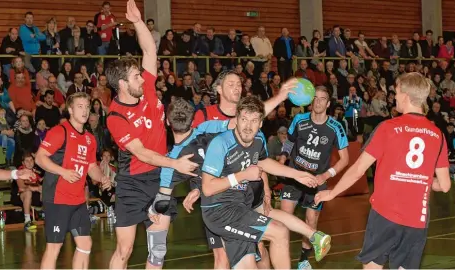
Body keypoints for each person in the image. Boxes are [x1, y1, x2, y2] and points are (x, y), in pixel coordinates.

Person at [149, 97, 332, 269]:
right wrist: (243, 175)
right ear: (236, 119)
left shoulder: (256, 138)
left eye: (254, 121)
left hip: (241, 205)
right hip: (220, 210)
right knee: (279, 231)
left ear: (260, 123)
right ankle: (312, 234)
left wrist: (297, 174)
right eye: (244, 119)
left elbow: (263, 161)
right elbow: (208, 187)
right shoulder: (219, 143)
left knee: (248, 263)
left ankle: (312, 235)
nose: (248, 126)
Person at [315, 72, 451, 269]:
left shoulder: (388, 127)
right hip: (417, 219)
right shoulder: (437, 134)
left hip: (385, 215)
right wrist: (417, 178)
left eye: (396, 92)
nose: (394, 97)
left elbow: (358, 169)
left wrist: (332, 192)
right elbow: (445, 185)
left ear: (405, 95)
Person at [104, 1, 198, 269]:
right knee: (125, 248)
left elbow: (149, 49)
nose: (143, 79)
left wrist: (136, 22)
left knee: (158, 249)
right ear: (122, 84)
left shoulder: (145, 89)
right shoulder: (115, 117)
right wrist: (175, 163)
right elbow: (141, 153)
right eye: (136, 76)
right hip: (133, 183)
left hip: (161, 179)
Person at [191, 69, 297, 269]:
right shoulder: (206, 117)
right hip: (218, 199)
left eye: (239, 84)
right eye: (231, 84)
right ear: (218, 89)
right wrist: (195, 186)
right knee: (222, 258)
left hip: (243, 197)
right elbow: (193, 152)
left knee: (259, 250)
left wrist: (266, 186)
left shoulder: (248, 122)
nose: (237, 88)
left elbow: (259, 155)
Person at [35, 92, 112, 269]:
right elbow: (40, 158)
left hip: (77, 200)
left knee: (85, 245)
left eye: (87, 107)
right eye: (80, 107)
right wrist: (63, 172)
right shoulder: (59, 131)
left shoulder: (90, 138)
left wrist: (102, 178)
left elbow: (91, 166)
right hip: (57, 198)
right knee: (54, 247)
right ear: (70, 109)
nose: (85, 111)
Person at [279, 85, 350, 269]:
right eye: (315, 98)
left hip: (317, 182)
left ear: (328, 104)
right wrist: (282, 159)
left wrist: (325, 175)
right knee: (284, 218)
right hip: (295, 176)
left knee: (311, 221)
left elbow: (345, 159)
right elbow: (289, 142)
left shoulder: (336, 127)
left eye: (322, 99)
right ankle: (282, 259)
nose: (317, 102)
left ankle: (303, 260)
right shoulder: (299, 119)